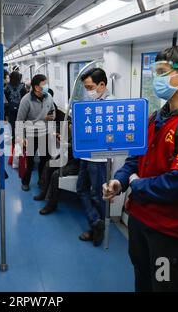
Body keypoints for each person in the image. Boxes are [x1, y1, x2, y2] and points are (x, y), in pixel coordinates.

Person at [103, 45, 178, 292]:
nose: (156, 79)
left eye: (162, 72)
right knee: (143, 276)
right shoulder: (156, 118)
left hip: (169, 228)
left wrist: (138, 184)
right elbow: (135, 159)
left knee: (166, 285)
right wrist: (120, 181)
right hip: (139, 217)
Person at [76, 68, 114, 246]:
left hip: (100, 159)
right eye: (86, 87)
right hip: (86, 155)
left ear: (102, 85)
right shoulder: (89, 101)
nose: (88, 91)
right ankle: (96, 221)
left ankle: (97, 230)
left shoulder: (112, 104)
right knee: (81, 189)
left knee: (98, 195)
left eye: (90, 87)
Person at [16, 74, 55, 191]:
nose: (47, 86)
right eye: (44, 84)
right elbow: (20, 120)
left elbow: (53, 113)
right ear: (36, 87)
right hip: (31, 135)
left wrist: (51, 118)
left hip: (45, 133)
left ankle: (41, 181)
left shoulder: (49, 97)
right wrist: (21, 138)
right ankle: (25, 182)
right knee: (30, 161)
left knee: (44, 161)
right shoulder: (26, 100)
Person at [34, 121, 80, 214]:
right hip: (68, 159)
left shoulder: (84, 133)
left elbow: (76, 148)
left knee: (56, 175)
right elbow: (68, 146)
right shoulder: (75, 131)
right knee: (48, 164)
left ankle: (52, 204)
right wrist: (62, 142)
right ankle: (44, 192)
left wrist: (66, 145)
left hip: (77, 164)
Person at [5, 71, 27, 146]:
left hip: (11, 109)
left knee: (12, 124)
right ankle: (20, 139)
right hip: (21, 109)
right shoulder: (22, 87)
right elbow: (25, 98)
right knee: (20, 124)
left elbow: (7, 97)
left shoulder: (7, 87)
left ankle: (13, 139)